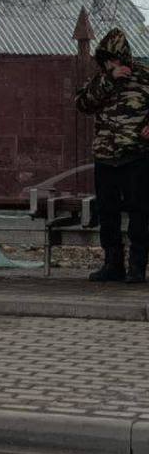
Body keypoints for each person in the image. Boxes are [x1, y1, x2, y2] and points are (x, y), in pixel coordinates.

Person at [75, 28, 149, 283]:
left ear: (124, 57)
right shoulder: (101, 80)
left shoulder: (143, 76)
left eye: (114, 59)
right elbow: (83, 104)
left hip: (136, 156)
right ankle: (112, 264)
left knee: (140, 214)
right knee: (108, 214)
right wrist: (109, 78)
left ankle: (137, 268)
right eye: (106, 60)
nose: (111, 64)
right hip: (106, 156)